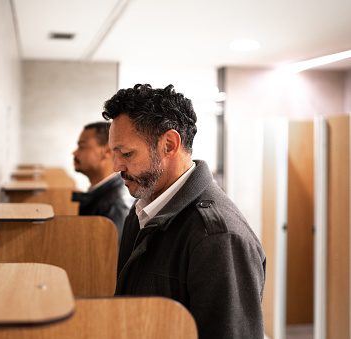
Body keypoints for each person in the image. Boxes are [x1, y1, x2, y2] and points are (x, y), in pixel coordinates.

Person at [102, 84, 266, 339]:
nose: (116, 166)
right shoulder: (142, 211)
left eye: (126, 153)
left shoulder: (219, 238)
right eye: (114, 153)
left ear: (169, 144)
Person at [71, 121, 133, 243]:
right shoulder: (103, 194)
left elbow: (107, 259)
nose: (75, 152)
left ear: (106, 151)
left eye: (82, 146)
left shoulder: (115, 204)